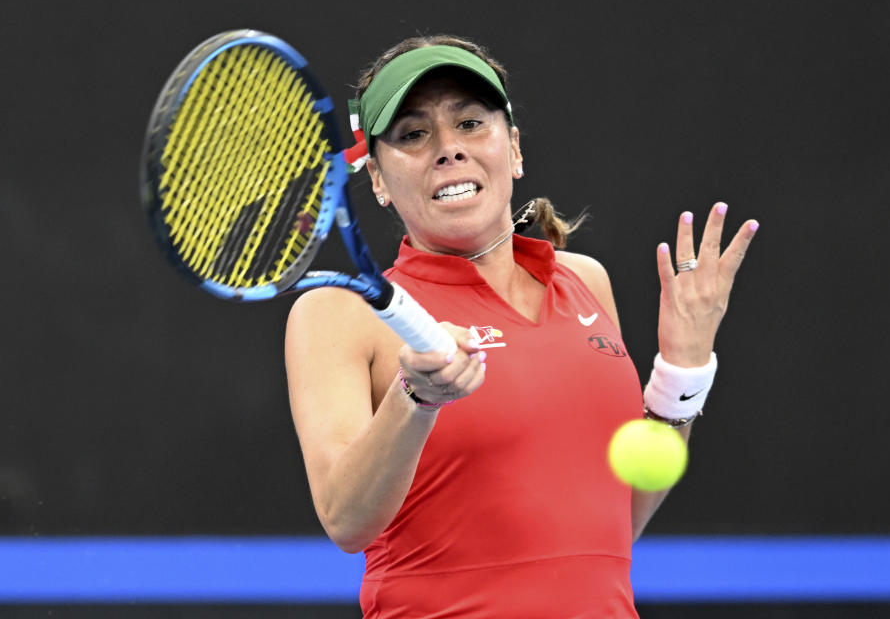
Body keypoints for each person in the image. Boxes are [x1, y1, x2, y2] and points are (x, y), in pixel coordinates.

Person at [285, 35, 758, 618]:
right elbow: (346, 519)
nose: (447, 149)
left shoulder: (587, 281)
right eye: (413, 134)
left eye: (470, 124)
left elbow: (619, 523)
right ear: (378, 180)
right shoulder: (338, 314)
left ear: (513, 149)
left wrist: (683, 370)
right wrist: (416, 399)